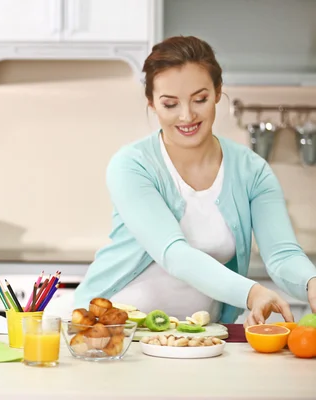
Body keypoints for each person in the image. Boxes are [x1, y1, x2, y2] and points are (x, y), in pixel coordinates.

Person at [68, 36, 316, 326]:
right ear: (152, 103)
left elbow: (282, 254)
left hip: (196, 338)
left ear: (218, 93)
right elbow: (173, 254)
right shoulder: (132, 165)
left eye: (200, 99)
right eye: (170, 104)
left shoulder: (252, 171)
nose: (187, 116)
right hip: (110, 333)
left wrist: (311, 282)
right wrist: (251, 292)